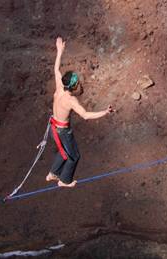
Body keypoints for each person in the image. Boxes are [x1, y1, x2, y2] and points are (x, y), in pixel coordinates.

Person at [46, 37, 113, 188]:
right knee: (74, 156)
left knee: (63, 152)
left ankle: (53, 173)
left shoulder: (59, 86)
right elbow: (86, 115)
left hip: (53, 128)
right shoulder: (71, 101)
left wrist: (59, 52)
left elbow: (56, 69)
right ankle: (64, 180)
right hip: (63, 131)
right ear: (73, 86)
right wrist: (105, 112)